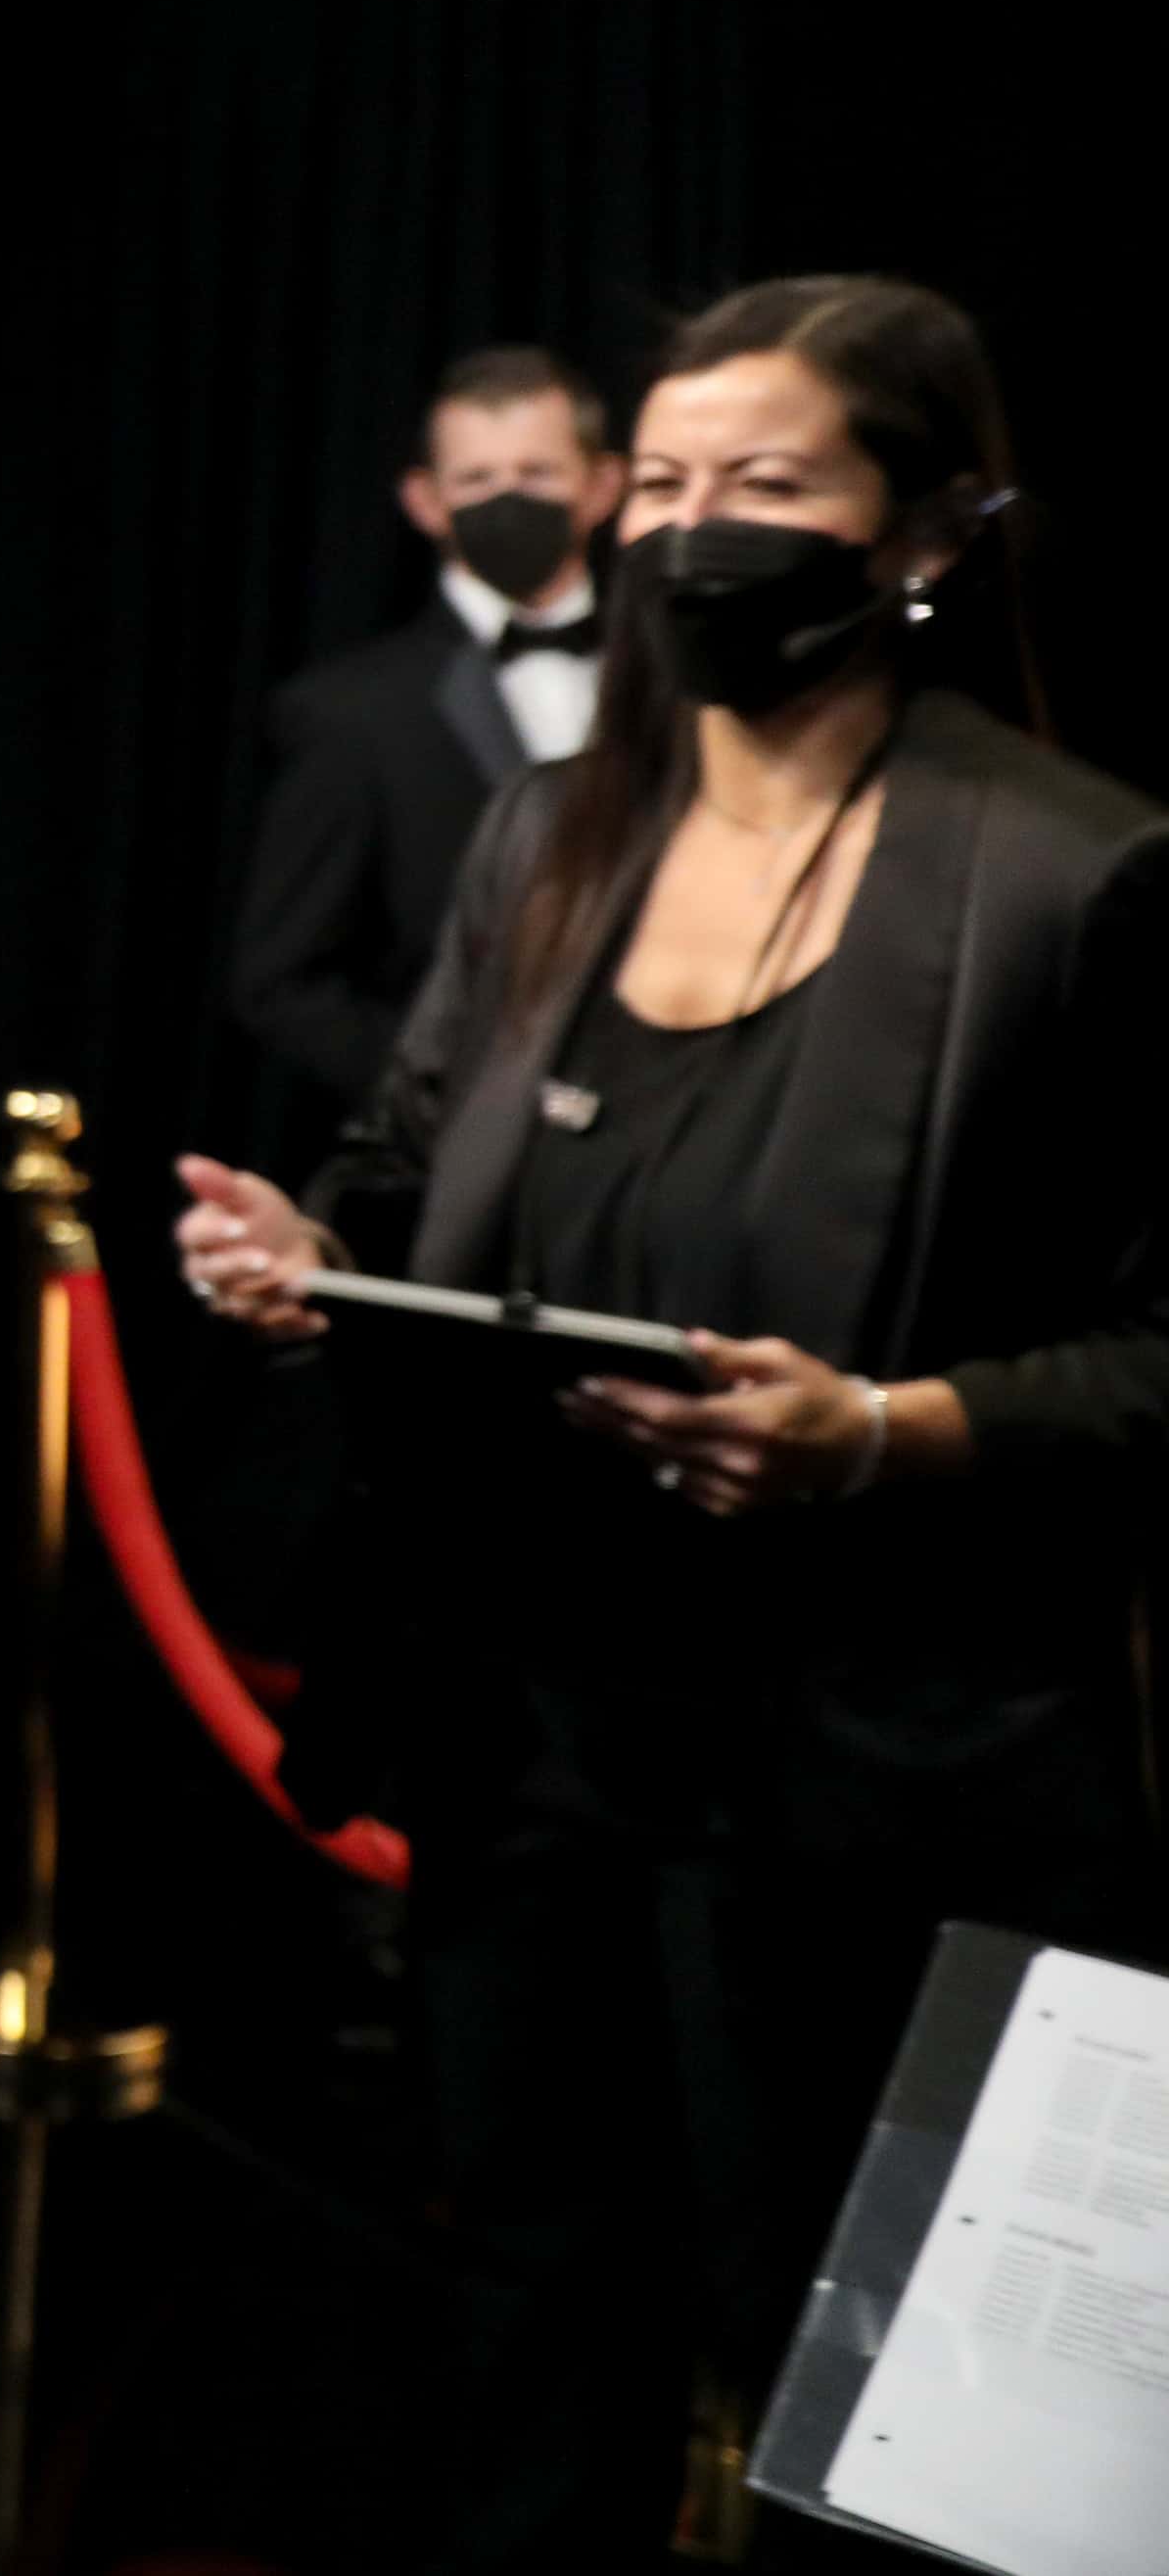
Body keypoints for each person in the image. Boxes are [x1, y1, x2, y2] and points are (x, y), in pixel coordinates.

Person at [169, 277, 1169, 2572]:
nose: (694, 529)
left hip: (872, 1768)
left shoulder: (1070, 873)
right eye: (671, 479)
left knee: (848, 2385)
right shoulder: (545, 834)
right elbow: (402, 1165)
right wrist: (304, 1257)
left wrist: (886, 1431)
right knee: (532, 2320)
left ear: (926, 530)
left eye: (770, 482)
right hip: (528, 1739)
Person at [230, 348, 624, 1124]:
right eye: (476, 479)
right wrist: (448, 1101)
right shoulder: (351, 713)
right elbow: (284, 980)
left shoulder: (678, 683)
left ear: (605, 484)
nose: (507, 499)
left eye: (537, 473)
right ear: (425, 499)